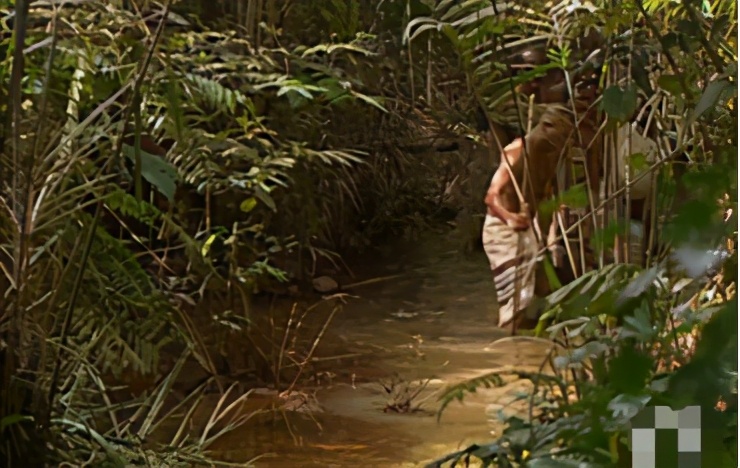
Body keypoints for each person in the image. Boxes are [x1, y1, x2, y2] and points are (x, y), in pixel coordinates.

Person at [482, 49, 601, 332]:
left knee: (538, 297)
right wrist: (515, 220)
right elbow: (491, 197)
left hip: (525, 226)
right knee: (516, 309)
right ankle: (513, 354)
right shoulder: (522, 148)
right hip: (505, 229)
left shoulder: (551, 147)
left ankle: (530, 355)